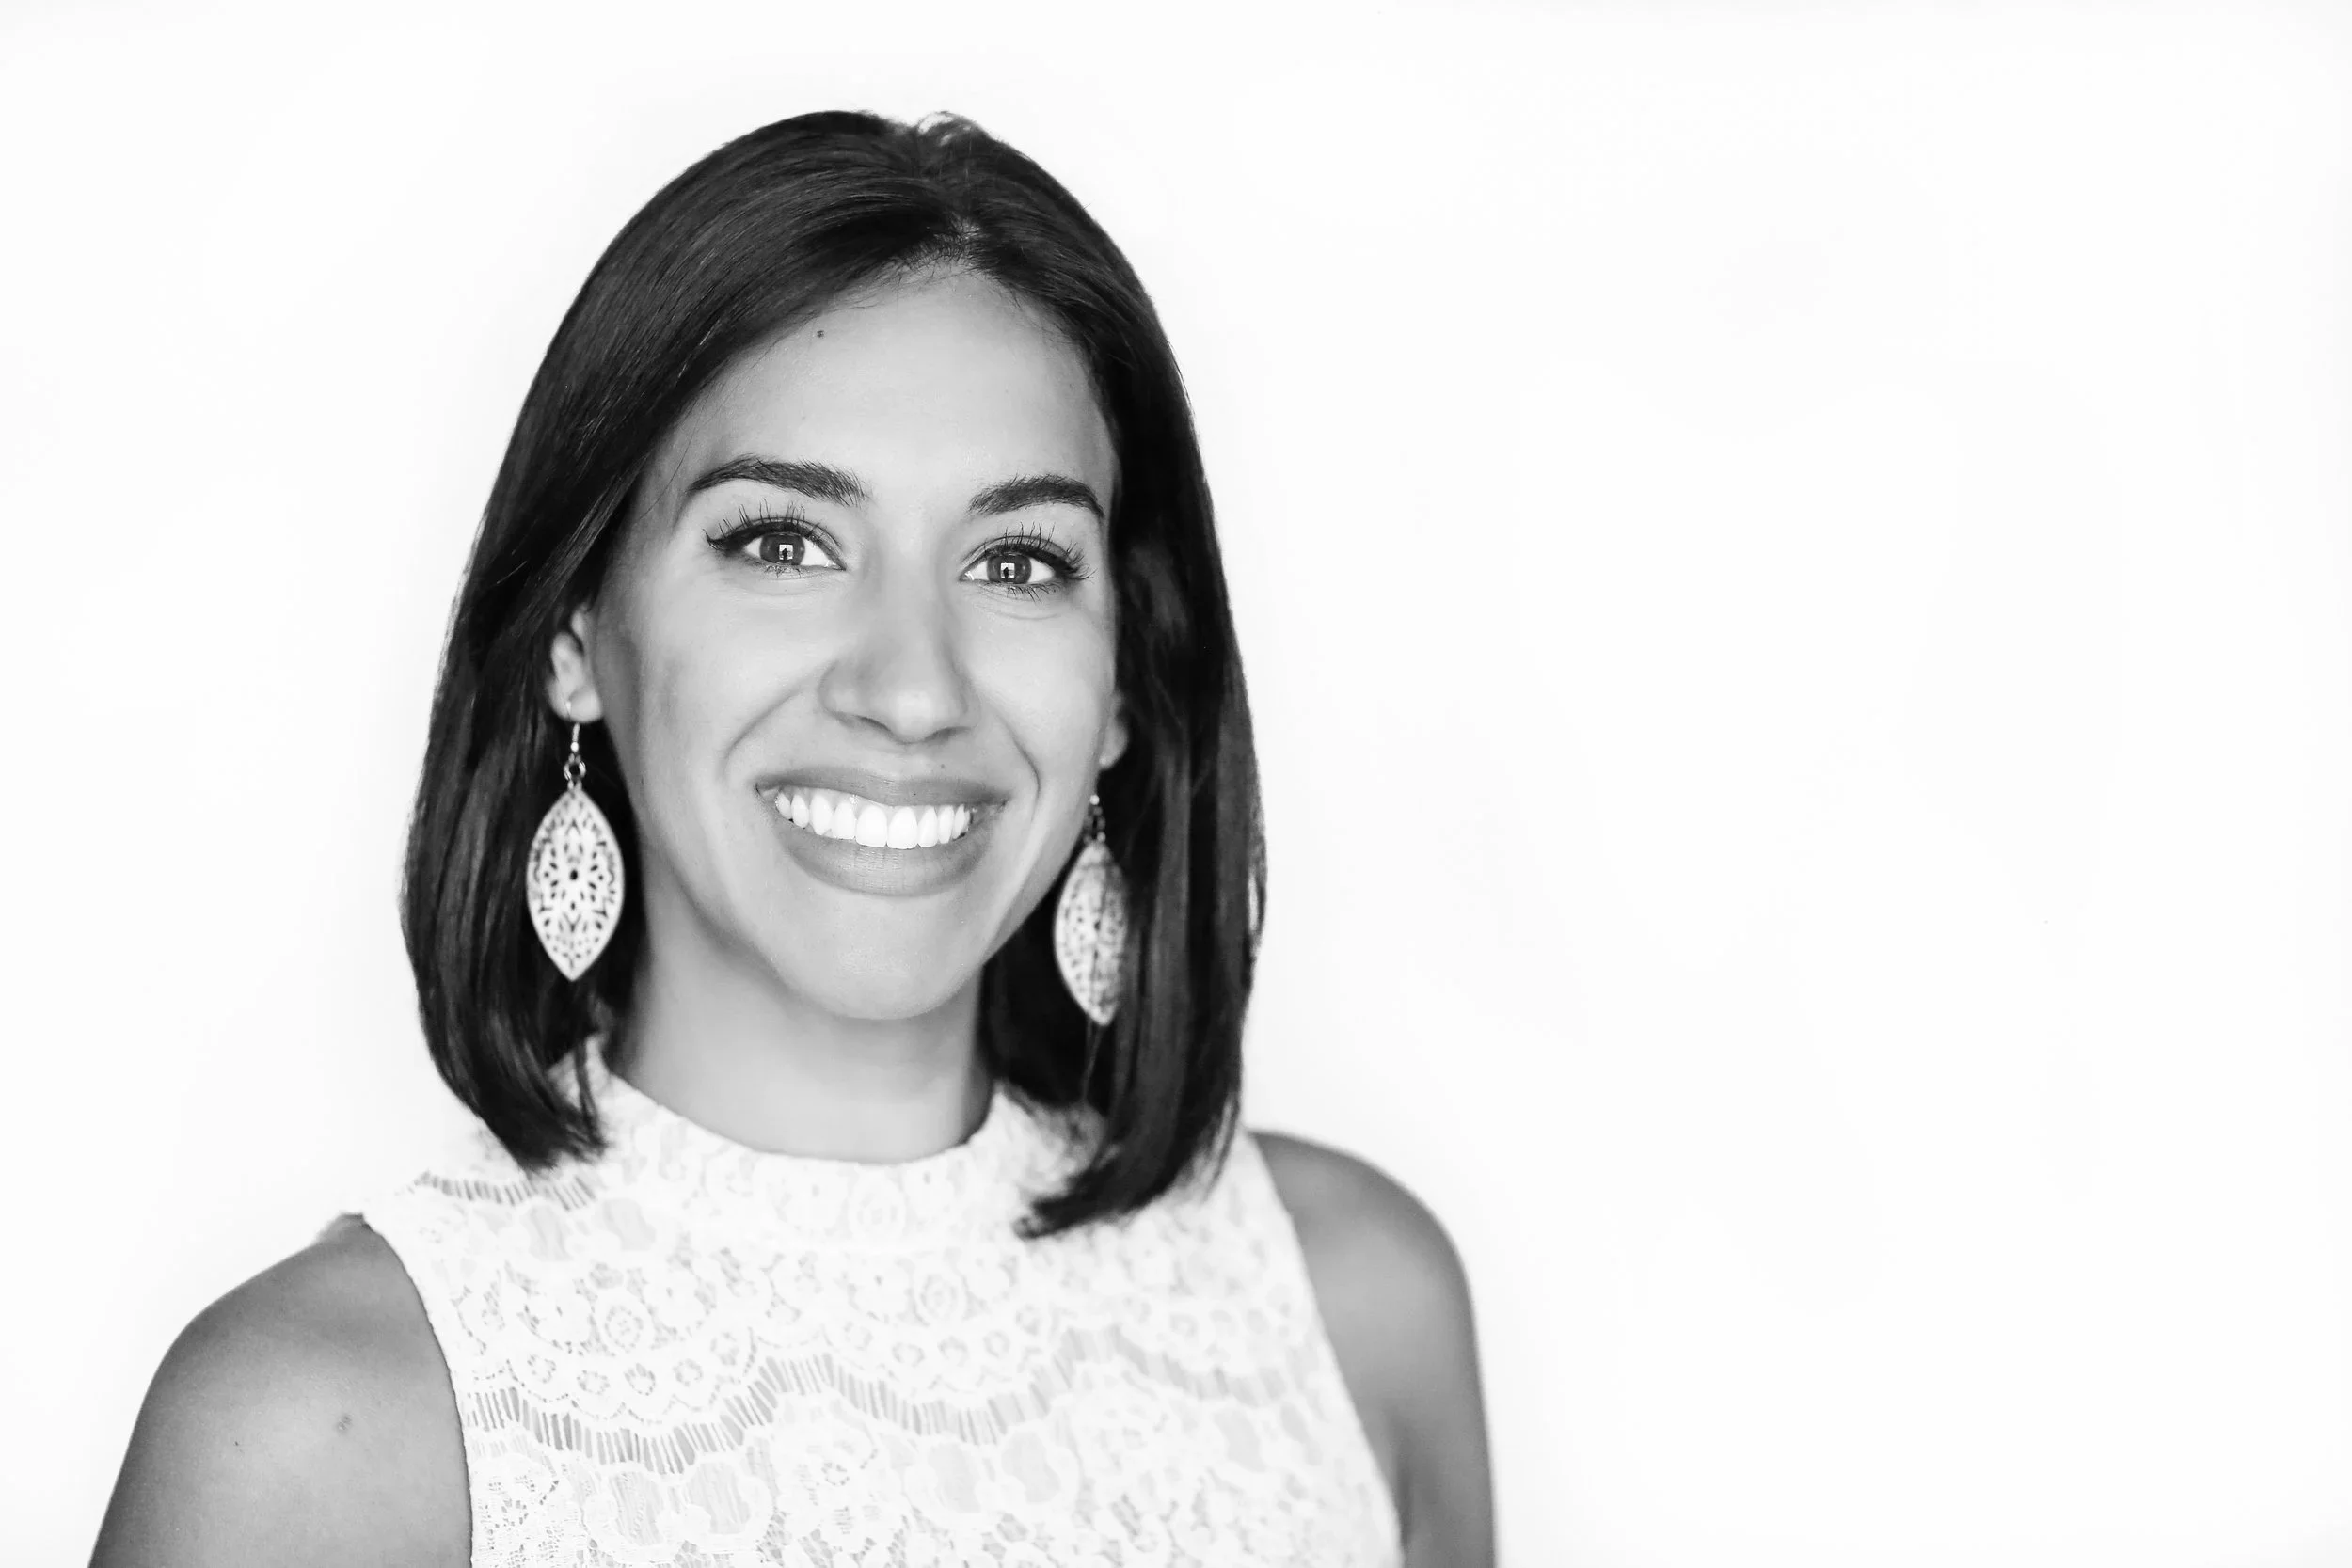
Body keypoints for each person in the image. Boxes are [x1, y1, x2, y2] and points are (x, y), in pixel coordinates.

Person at [90, 109, 1493, 1567]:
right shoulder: (315, 1438)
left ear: (1127, 681)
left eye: (1018, 561)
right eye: (781, 543)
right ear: (575, 630)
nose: (913, 689)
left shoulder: (1353, 1315)